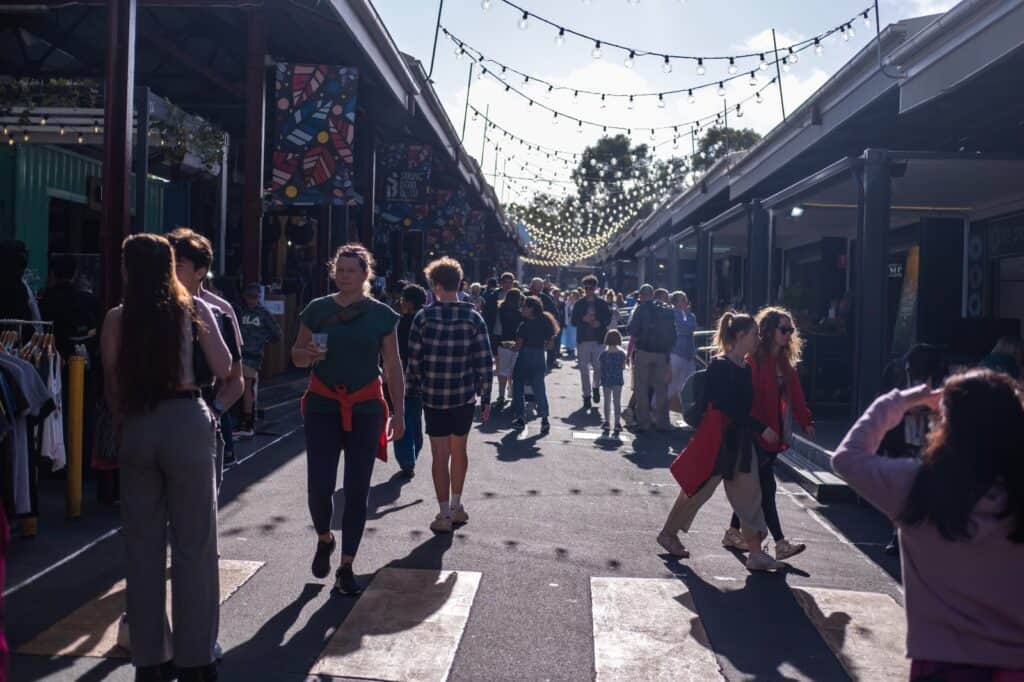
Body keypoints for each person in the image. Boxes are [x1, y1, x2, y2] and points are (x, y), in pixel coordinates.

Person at [832, 370, 1024, 679]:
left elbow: (847, 458)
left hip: (939, 664)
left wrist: (900, 401)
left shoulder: (918, 486)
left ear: (946, 424)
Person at [100, 234, 232, 681]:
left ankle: (150, 658)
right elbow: (223, 365)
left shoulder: (118, 318)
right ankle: (196, 658)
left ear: (128, 270)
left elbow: (112, 386)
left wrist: (127, 430)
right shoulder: (194, 309)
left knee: (142, 547)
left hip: (138, 424)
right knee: (195, 544)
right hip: (187, 419)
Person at [291, 244, 405, 596]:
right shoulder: (317, 309)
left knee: (357, 489)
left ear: (365, 273)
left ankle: (346, 566)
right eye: (339, 270)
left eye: (351, 270)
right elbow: (296, 355)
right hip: (323, 405)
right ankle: (325, 538)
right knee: (319, 486)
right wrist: (306, 354)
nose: (344, 276)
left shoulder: (382, 315)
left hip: (366, 407)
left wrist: (399, 410)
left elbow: (392, 365)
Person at [657, 312, 785, 572]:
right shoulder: (720, 366)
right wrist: (761, 428)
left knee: (750, 495)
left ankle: (756, 553)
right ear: (740, 335)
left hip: (740, 441)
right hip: (719, 442)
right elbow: (727, 407)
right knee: (698, 491)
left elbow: (743, 408)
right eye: (754, 334)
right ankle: (668, 533)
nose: (758, 338)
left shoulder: (747, 366)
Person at [406, 257, 493, 534]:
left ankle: (443, 512)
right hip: (464, 395)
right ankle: (457, 505)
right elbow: (483, 360)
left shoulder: (423, 317)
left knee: (439, 454)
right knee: (460, 450)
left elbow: (414, 361)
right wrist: (487, 397)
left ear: (436, 286)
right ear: (460, 284)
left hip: (433, 396)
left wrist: (410, 394)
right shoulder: (473, 318)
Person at [721, 307, 814, 561]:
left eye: (790, 330)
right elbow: (747, 400)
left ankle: (733, 531)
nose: (787, 334)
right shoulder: (755, 360)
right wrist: (759, 428)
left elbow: (796, 393)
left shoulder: (783, 362)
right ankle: (780, 542)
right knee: (765, 488)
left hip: (774, 434)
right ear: (770, 331)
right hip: (755, 433)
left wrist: (806, 421)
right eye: (783, 330)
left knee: (754, 490)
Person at [166, 228, 245, 483]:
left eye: (179, 265)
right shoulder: (150, 308)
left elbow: (236, 377)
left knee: (199, 510)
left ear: (200, 271)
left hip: (200, 418)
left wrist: (215, 411)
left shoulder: (219, 311)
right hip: (155, 418)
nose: (171, 271)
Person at [235, 283, 283, 437]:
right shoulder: (239, 312)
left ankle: (247, 421)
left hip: (253, 354)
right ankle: (238, 418)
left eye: (255, 297)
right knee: (236, 384)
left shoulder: (264, 314)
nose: (251, 300)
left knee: (247, 385)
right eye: (249, 296)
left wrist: (262, 340)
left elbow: (277, 333)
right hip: (238, 354)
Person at [627, 285, 676, 431]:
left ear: (641, 295)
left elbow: (632, 330)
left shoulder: (641, 309)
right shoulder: (667, 309)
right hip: (662, 354)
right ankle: (662, 422)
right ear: (652, 294)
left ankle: (644, 422)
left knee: (641, 388)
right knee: (661, 389)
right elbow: (674, 335)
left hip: (644, 352)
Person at [393, 283, 427, 477]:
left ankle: (407, 459)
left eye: (403, 299)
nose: (401, 303)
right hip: (426, 377)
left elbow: (399, 352)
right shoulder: (427, 319)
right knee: (415, 417)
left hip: (406, 374)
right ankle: (414, 452)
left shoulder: (405, 322)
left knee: (403, 416)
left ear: (409, 302)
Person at [511, 296, 559, 431]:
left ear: (531, 309)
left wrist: (510, 347)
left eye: (525, 306)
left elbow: (518, 346)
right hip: (539, 355)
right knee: (539, 387)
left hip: (525, 355)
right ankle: (544, 418)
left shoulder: (524, 325)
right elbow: (550, 344)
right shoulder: (545, 322)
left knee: (518, 385)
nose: (522, 309)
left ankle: (520, 417)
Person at [572, 275, 613, 411]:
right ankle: (587, 396)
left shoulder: (602, 304)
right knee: (584, 370)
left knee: (598, 368)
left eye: (591, 288)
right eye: (586, 288)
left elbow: (608, 319)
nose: (588, 290)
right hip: (583, 340)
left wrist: (599, 323)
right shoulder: (579, 304)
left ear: (595, 288)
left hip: (598, 340)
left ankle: (595, 387)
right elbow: (573, 321)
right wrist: (583, 319)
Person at [666, 291, 698, 414]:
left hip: (689, 355)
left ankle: (686, 412)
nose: (686, 302)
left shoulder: (690, 315)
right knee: (672, 384)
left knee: (688, 385)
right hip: (676, 353)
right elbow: (683, 328)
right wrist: (687, 327)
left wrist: (687, 325)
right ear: (677, 302)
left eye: (686, 299)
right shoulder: (672, 313)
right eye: (683, 300)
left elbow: (692, 326)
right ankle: (658, 409)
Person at [495, 289, 523, 405]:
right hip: (516, 344)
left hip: (503, 343)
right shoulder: (520, 313)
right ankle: (512, 393)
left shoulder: (500, 309)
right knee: (514, 371)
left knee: (502, 371)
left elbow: (497, 327)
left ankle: (501, 395)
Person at [528, 278, 561, 370]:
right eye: (536, 285)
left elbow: (554, 312)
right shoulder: (526, 296)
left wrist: (553, 326)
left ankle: (542, 366)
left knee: (539, 350)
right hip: (527, 327)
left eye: (540, 285)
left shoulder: (545, 297)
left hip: (540, 328)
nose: (538, 287)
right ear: (532, 286)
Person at [599, 329, 627, 433]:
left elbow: (601, 367)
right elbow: (623, 367)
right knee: (617, 402)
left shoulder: (604, 354)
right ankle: (617, 423)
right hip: (617, 380)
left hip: (606, 379)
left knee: (607, 401)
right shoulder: (622, 354)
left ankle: (607, 422)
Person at [562, 291, 579, 361]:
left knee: (573, 336)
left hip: (575, 322)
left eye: (574, 296)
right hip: (569, 321)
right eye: (572, 295)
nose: (573, 297)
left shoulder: (577, 303)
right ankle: (569, 348)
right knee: (569, 335)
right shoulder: (568, 303)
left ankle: (572, 349)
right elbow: (566, 311)